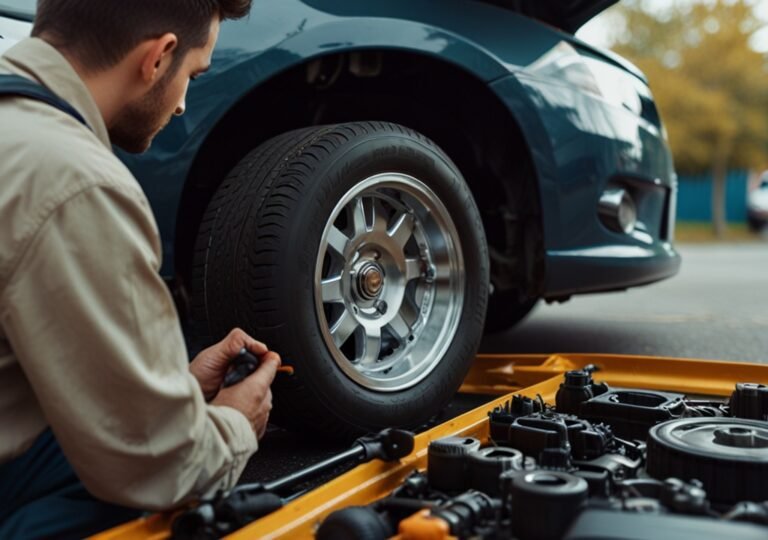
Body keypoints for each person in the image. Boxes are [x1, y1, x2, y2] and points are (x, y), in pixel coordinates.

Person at [0, 1, 281, 538]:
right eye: (194, 76)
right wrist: (235, 425)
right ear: (158, 57)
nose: (181, 105)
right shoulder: (74, 179)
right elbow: (158, 465)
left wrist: (172, 390)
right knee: (174, 496)